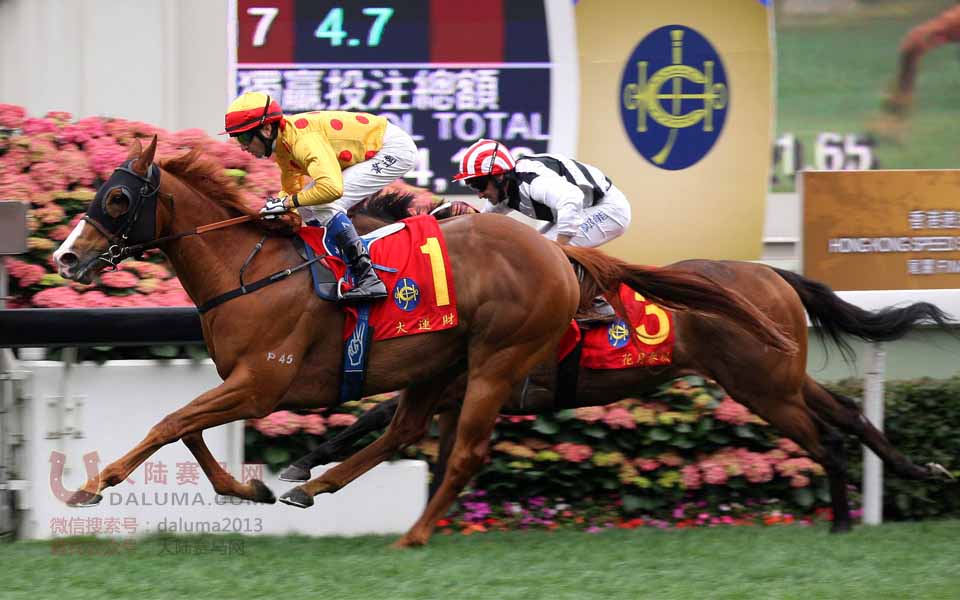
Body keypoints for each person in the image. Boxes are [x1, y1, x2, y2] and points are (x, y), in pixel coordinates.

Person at [222, 91, 418, 302]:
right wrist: (274, 207)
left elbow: (332, 189)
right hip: (377, 148)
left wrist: (286, 203)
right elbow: (292, 191)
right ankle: (330, 262)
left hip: (392, 150)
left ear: (267, 129)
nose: (242, 146)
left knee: (326, 204)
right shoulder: (284, 143)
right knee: (306, 207)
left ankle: (368, 278)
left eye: (244, 137)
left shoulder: (302, 141)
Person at [453, 139, 633, 320]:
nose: (479, 194)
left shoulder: (533, 182)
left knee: (544, 253)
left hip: (609, 209)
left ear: (499, 177)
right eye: (472, 186)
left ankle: (596, 304)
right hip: (585, 208)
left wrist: (559, 248)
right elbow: (483, 222)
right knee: (535, 250)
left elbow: (572, 198)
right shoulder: (506, 188)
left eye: (479, 184)